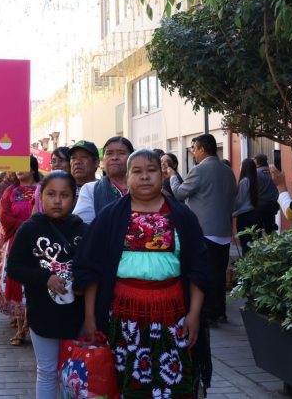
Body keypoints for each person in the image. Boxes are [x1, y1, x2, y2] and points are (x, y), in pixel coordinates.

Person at [74, 149, 210, 398]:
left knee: (173, 387)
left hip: (174, 317)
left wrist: (194, 314)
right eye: (137, 171)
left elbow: (199, 269)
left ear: (162, 174)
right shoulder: (109, 217)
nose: (145, 177)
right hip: (123, 319)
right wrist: (90, 317)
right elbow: (90, 269)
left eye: (151, 170)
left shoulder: (183, 216)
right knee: (127, 385)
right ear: (127, 178)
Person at [6, 171, 87, 398]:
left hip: (76, 315)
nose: (58, 200)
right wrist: (45, 278)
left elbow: (91, 268)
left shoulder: (82, 230)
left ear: (74, 198)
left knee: (72, 372)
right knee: (48, 370)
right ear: (41, 196)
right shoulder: (29, 229)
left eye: (64, 195)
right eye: (51, 194)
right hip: (43, 314)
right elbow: (14, 268)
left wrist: (81, 282)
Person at [169, 134, 236, 325]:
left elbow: (180, 193)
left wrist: (173, 177)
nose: (192, 152)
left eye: (193, 148)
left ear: (202, 149)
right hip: (223, 230)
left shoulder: (200, 169)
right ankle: (219, 312)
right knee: (219, 274)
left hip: (205, 230)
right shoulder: (227, 170)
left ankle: (207, 313)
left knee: (205, 274)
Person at [0, 155, 40, 346]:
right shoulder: (10, 192)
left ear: (33, 168)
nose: (19, 170)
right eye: (16, 167)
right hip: (16, 242)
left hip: (39, 243)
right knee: (18, 284)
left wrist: (32, 227)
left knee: (36, 284)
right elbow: (3, 215)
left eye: (24, 166)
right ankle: (21, 328)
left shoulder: (42, 189)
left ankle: (36, 328)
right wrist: (26, 226)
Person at [73, 137, 134, 224]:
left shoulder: (142, 188)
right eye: (109, 153)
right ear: (103, 160)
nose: (114, 157)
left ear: (132, 159)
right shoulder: (90, 190)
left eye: (121, 153)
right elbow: (83, 227)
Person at [234, 158, 260, 254]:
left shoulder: (244, 181)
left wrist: (232, 212)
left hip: (244, 217)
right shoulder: (254, 181)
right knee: (253, 245)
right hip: (254, 214)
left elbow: (239, 201)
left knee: (245, 245)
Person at [253, 153, 279, 234]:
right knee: (270, 230)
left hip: (260, 206)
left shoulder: (256, 173)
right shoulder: (273, 172)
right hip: (272, 205)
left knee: (258, 231)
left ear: (258, 162)